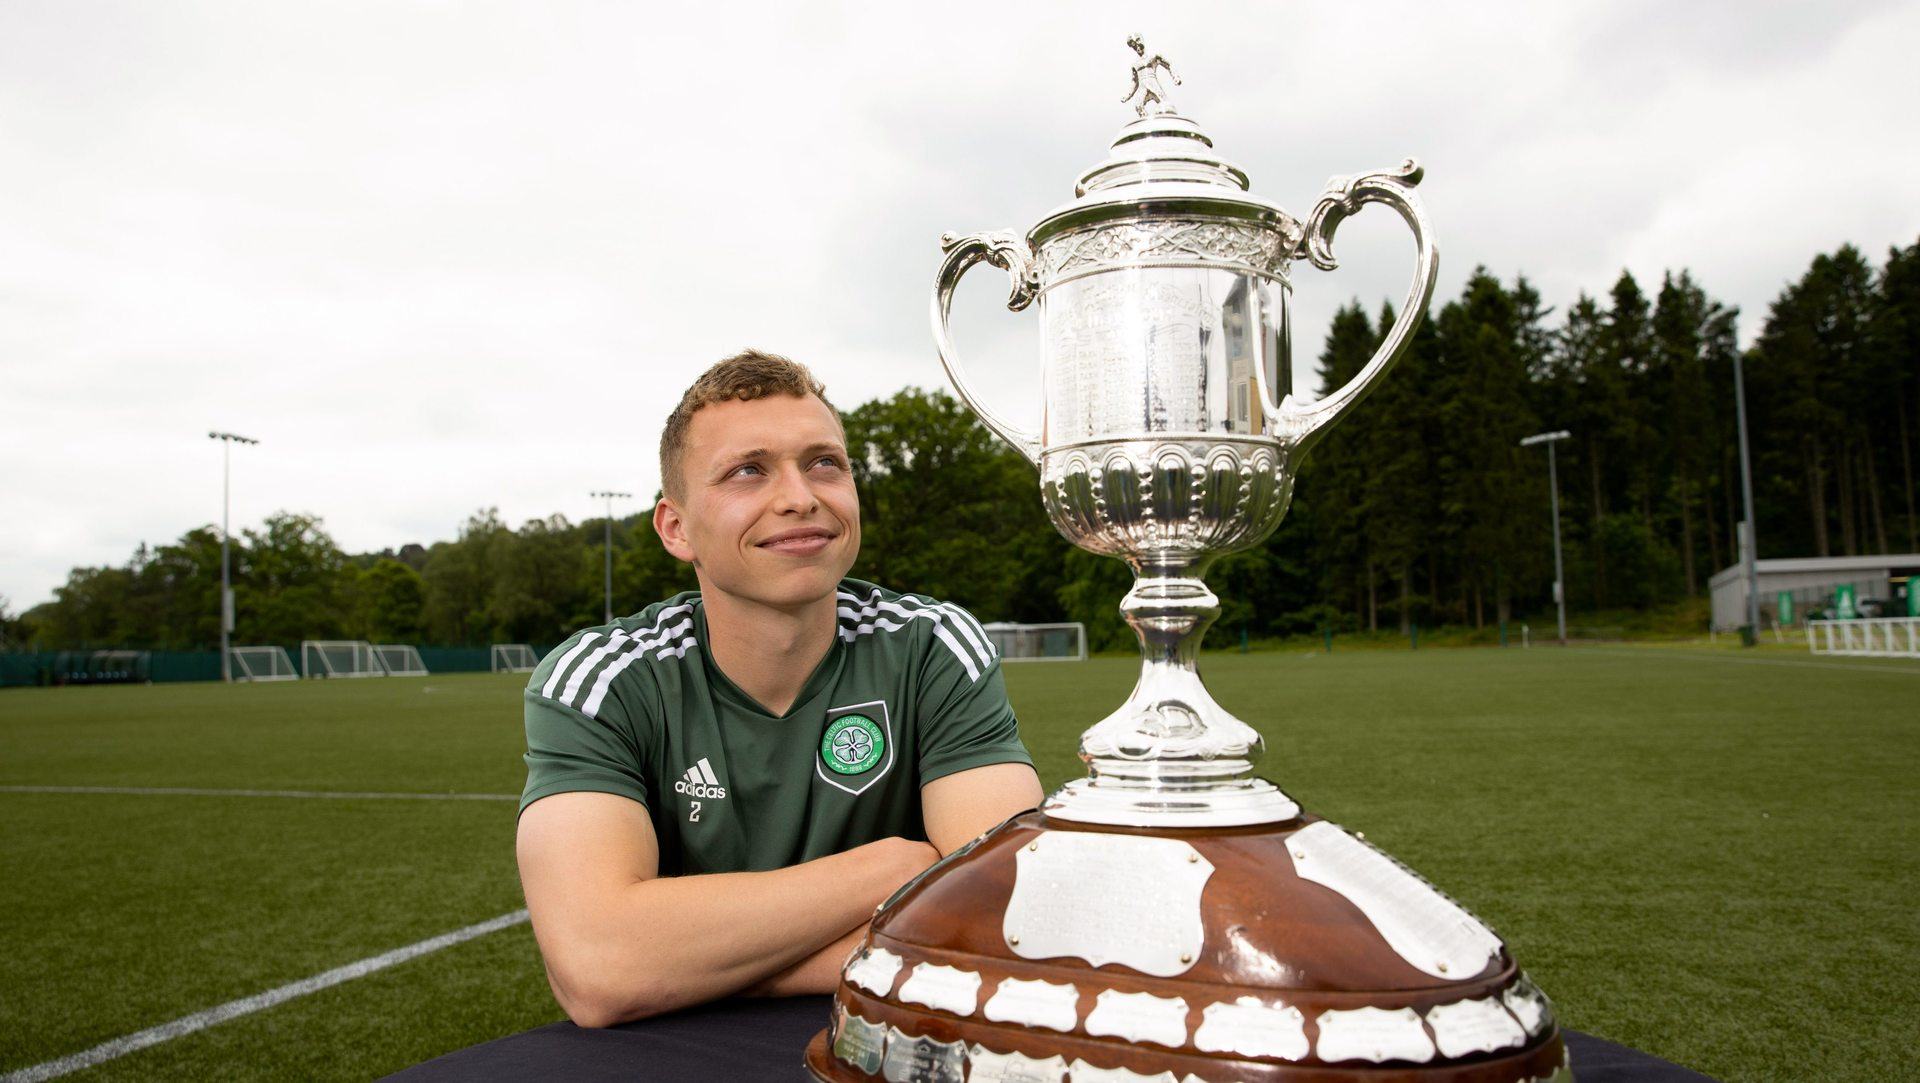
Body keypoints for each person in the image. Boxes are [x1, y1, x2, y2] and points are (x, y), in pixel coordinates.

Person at [514, 350, 1044, 1028]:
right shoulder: (600, 680)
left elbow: (1008, 912)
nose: (800, 495)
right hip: (676, 1055)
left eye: (825, 462)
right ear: (676, 528)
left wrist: (696, 968)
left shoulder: (931, 646)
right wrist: (896, 864)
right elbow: (601, 966)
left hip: (895, 1039)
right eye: (748, 470)